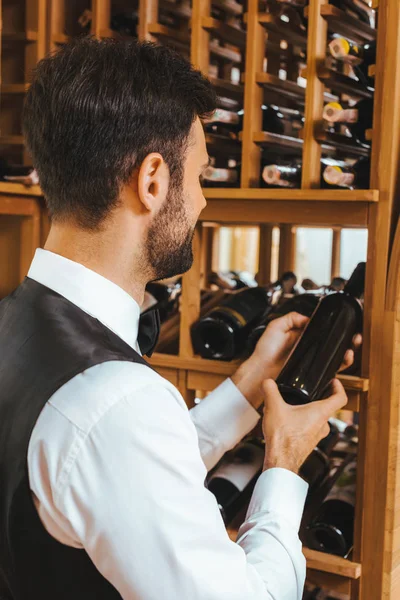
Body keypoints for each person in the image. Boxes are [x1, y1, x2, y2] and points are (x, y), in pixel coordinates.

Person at [0, 38, 356, 600]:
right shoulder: (115, 399)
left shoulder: (14, 325)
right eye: (200, 177)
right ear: (152, 181)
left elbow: (112, 475)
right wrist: (284, 461)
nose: (203, 202)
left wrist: (246, 388)